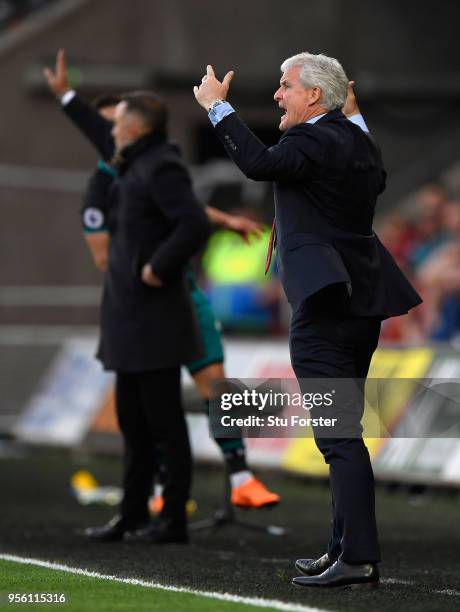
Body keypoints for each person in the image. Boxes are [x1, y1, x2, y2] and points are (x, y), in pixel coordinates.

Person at [194, 53, 422, 588]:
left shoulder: (312, 141)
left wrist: (217, 109)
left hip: (323, 308)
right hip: (360, 304)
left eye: (284, 86)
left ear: (314, 96)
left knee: (339, 435)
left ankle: (358, 557)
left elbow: (258, 163)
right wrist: (352, 113)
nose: (277, 95)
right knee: (342, 432)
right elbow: (370, 173)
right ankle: (344, 546)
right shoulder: (356, 140)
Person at [44, 49, 281, 511]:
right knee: (152, 401)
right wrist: (142, 275)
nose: (114, 129)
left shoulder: (152, 165)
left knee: (216, 381)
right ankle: (160, 492)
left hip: (182, 293)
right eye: (110, 123)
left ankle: (240, 477)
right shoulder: (103, 187)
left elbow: (182, 207)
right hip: (142, 301)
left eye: (120, 120)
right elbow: (104, 257)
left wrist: (221, 221)